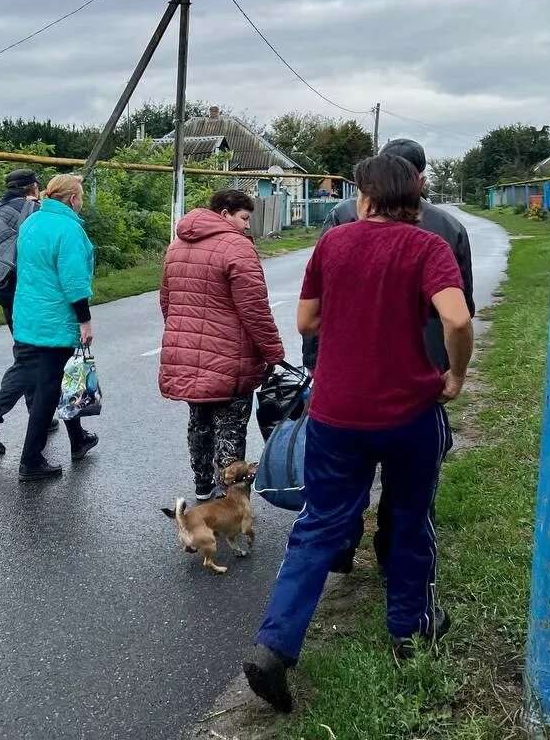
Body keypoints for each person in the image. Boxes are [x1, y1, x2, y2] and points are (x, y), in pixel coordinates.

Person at [243, 154, 474, 713]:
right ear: (414, 195)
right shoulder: (428, 248)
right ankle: (410, 632)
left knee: (319, 524)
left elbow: (305, 322)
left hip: (336, 414)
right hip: (408, 413)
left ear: (365, 197)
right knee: (410, 517)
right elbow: (459, 319)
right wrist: (456, 374)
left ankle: (274, 648)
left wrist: (350, 316)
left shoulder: (334, 243)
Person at [303, 138, 475, 575]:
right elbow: (462, 313)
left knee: (343, 476)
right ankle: (395, 561)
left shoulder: (341, 220)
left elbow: (317, 302)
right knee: (411, 484)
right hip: (420, 376)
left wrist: (314, 359)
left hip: (346, 374)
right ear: (419, 179)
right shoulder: (448, 230)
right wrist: (453, 373)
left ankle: (340, 548)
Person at [159, 189, 286, 501]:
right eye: (243, 218)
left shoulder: (177, 245)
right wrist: (273, 353)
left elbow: (168, 301)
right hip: (231, 356)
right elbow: (254, 309)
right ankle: (227, 495)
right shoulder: (237, 248)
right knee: (230, 426)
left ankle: (202, 487)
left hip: (188, 353)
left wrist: (185, 338)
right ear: (225, 213)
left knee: (199, 421)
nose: (246, 226)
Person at [10, 173, 99, 482]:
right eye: (81, 197)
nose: (82, 203)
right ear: (72, 199)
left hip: (30, 315)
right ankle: (30, 459)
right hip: (56, 317)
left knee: (63, 379)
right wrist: (84, 319)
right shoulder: (69, 229)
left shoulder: (31, 223)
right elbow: (74, 281)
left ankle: (78, 439)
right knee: (50, 386)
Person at [0, 170, 58, 454]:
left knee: (26, 353)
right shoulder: (32, 211)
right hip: (28, 295)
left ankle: (38, 410)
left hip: (3, 291)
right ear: (32, 187)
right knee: (31, 359)